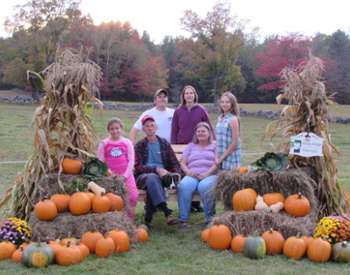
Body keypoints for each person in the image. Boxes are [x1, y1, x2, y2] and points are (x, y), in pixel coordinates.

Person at [171, 85, 214, 213]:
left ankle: (196, 204)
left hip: (199, 144)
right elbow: (174, 129)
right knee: (187, 174)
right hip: (182, 145)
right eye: (186, 93)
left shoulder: (201, 110)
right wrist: (174, 146)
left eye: (191, 93)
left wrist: (213, 142)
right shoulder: (178, 111)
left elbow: (209, 127)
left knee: (199, 171)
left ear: (195, 95)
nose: (189, 95)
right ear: (183, 96)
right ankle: (188, 205)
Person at [134, 115, 181, 228]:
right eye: (147, 126)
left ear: (156, 128)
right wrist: (156, 169)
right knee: (152, 178)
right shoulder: (140, 145)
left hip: (163, 178)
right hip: (143, 177)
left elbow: (175, 162)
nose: (150, 128)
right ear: (143, 129)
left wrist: (175, 173)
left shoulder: (164, 143)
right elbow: (138, 167)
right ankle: (167, 212)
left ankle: (148, 220)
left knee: (154, 183)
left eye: (152, 125)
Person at [177, 122, 218, 227]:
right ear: (195, 133)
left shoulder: (215, 145)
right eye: (198, 131)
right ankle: (183, 219)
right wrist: (188, 172)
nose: (200, 133)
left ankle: (209, 219)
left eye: (203, 131)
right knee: (183, 185)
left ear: (209, 133)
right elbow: (182, 162)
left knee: (204, 186)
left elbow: (217, 163)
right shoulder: (191, 146)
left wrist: (207, 174)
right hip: (192, 174)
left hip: (210, 175)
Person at [97, 117, 138, 220]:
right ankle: (116, 219)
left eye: (117, 128)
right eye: (112, 129)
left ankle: (129, 219)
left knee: (133, 196)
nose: (115, 131)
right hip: (111, 176)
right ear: (108, 130)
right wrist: (109, 173)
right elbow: (100, 162)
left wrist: (125, 175)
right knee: (113, 198)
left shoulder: (127, 142)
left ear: (121, 129)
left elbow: (131, 161)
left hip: (126, 175)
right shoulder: (104, 143)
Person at [215, 91, 241, 170]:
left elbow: (234, 143)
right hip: (220, 154)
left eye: (227, 102)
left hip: (230, 157)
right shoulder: (220, 118)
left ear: (232, 104)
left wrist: (222, 158)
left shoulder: (233, 119)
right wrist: (217, 156)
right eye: (222, 102)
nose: (224, 104)